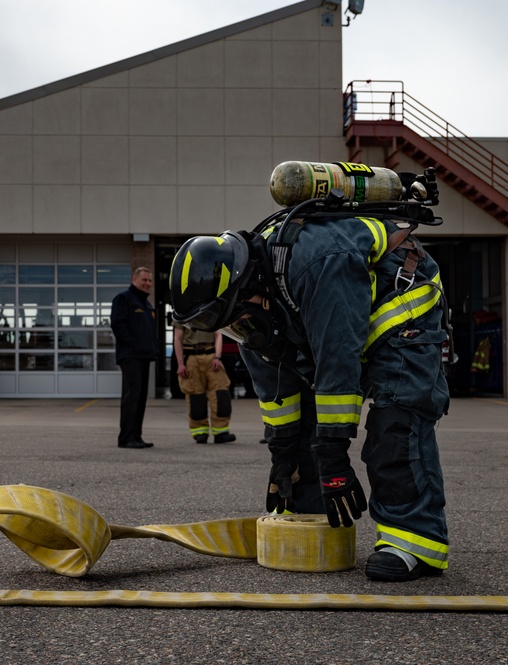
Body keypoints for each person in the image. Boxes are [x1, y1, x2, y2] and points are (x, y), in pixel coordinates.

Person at [169, 169, 451, 582]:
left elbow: (339, 359)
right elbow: (278, 389)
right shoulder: (258, 299)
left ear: (247, 285)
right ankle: (310, 510)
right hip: (340, 317)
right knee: (303, 433)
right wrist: (283, 457)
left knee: (395, 421)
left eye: (239, 320)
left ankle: (415, 542)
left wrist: (335, 458)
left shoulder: (319, 260)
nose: (242, 332)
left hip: (403, 308)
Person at [110, 266, 162, 449]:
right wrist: (133, 344)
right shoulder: (124, 299)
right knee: (131, 397)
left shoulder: (146, 304)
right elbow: (118, 325)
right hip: (130, 356)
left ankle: (136, 436)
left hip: (144, 357)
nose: (147, 284)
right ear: (134, 279)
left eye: (149, 281)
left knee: (140, 398)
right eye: (144, 280)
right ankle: (125, 438)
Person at [172, 322, 236, 443]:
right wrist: (180, 364)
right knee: (195, 396)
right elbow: (177, 338)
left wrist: (217, 357)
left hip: (212, 356)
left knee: (221, 394)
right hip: (191, 357)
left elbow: (218, 335)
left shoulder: (212, 309)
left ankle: (221, 431)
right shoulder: (182, 312)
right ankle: (200, 432)